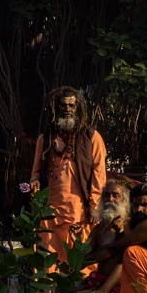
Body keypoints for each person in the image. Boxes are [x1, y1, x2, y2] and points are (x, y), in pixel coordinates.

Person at [29, 86, 107, 264]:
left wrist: (95, 205)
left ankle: (78, 292)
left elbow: (99, 173)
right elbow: (36, 171)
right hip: (50, 210)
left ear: (78, 108)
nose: (67, 110)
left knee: (79, 257)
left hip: (79, 209)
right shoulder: (45, 138)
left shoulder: (92, 137)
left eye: (72, 106)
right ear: (56, 109)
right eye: (63, 106)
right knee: (49, 257)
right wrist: (34, 181)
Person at [75, 180, 131, 293]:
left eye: (115, 195)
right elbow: (82, 262)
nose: (110, 199)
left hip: (121, 287)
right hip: (98, 282)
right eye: (106, 195)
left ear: (125, 200)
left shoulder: (130, 226)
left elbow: (124, 260)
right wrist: (78, 240)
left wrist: (104, 290)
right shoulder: (99, 229)